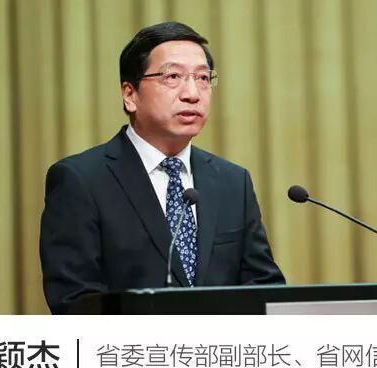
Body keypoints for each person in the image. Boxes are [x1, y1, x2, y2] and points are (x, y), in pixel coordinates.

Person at [40, 21, 285, 314]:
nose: (192, 93)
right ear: (130, 95)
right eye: (173, 77)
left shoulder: (233, 182)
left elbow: (265, 289)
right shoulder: (81, 180)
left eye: (203, 78)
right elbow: (75, 302)